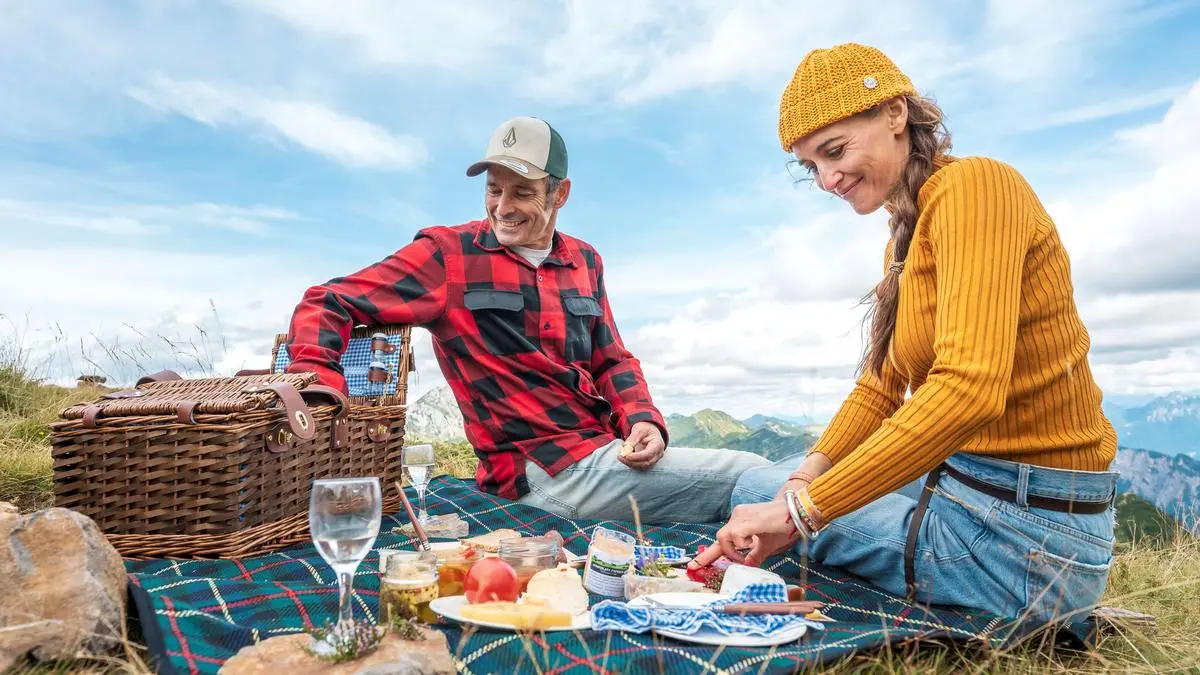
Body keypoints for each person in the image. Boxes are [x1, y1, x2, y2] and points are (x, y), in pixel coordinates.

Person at [690, 43, 1119, 627]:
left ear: (896, 113)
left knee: (751, 494)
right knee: (769, 483)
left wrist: (800, 514)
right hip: (974, 484)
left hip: (1024, 544)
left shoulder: (976, 188)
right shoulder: (908, 232)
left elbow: (969, 389)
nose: (827, 179)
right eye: (810, 166)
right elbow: (880, 388)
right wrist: (800, 483)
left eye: (834, 151)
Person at [283, 116, 768, 524]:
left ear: (560, 194)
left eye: (521, 192)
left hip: (602, 451)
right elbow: (328, 300)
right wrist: (321, 385)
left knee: (759, 483)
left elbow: (612, 360)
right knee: (752, 475)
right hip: (537, 472)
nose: (503, 207)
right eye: (494, 189)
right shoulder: (448, 255)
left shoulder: (585, 260)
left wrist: (643, 419)